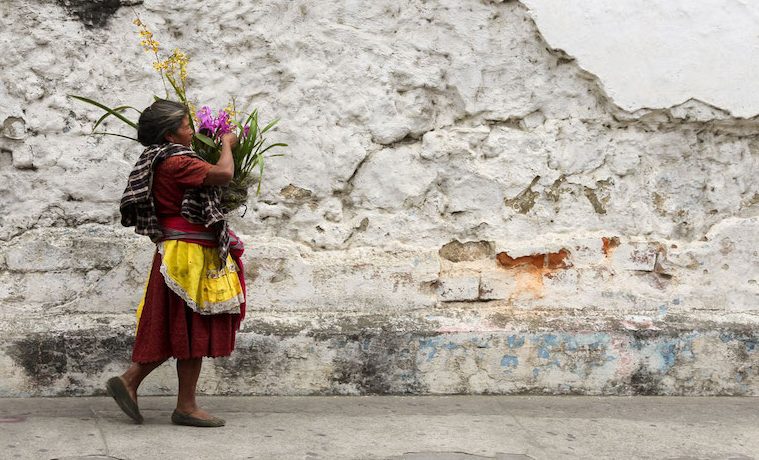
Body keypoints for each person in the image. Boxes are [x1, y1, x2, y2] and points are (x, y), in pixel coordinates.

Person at [108, 99, 246, 427]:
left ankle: (176, 400)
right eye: (186, 125)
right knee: (189, 325)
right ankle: (150, 389)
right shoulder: (178, 162)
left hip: (177, 251)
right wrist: (227, 143)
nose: (192, 130)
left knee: (183, 326)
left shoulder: (158, 158)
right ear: (170, 135)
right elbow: (224, 174)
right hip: (188, 256)